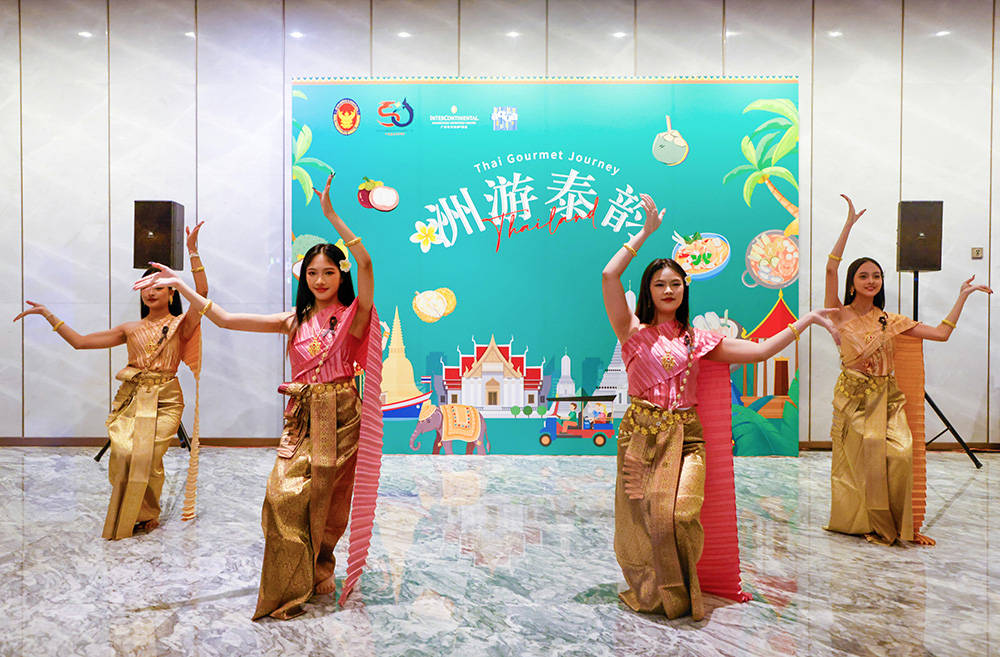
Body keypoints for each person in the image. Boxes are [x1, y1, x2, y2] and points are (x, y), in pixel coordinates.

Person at [134, 174, 382, 620]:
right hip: (302, 415)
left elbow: (365, 264)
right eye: (312, 273)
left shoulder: (352, 317)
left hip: (342, 414)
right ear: (304, 278)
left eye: (328, 272)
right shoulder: (293, 320)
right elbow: (226, 319)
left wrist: (331, 216)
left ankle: (320, 566)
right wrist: (183, 283)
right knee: (281, 497)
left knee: (329, 500)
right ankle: (290, 580)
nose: (320, 279)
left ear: (339, 274)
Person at [602, 194, 838, 620]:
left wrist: (806, 320)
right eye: (660, 284)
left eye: (676, 283)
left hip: (687, 440)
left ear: (685, 289)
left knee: (680, 515)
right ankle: (654, 592)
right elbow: (608, 274)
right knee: (643, 520)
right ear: (648, 291)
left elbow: (761, 350)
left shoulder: (700, 341)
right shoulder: (631, 330)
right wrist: (646, 233)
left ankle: (684, 589)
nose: (668, 290)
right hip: (640, 438)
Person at [14, 222, 208, 539]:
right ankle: (127, 509)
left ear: (172, 291)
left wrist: (193, 252)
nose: (150, 291)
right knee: (122, 453)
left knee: (147, 456)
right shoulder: (129, 329)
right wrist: (49, 315)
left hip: (166, 400)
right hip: (132, 398)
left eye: (158, 286)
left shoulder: (181, 324)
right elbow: (80, 342)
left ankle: (147, 513)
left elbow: (203, 296)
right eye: (145, 287)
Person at [824, 194, 991, 546]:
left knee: (901, 454)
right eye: (863, 276)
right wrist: (848, 225)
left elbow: (941, 334)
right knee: (864, 462)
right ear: (852, 282)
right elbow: (830, 270)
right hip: (853, 401)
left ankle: (904, 528)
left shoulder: (891, 320)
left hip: (888, 400)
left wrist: (963, 295)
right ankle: (865, 523)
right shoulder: (838, 315)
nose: (871, 281)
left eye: (877, 276)